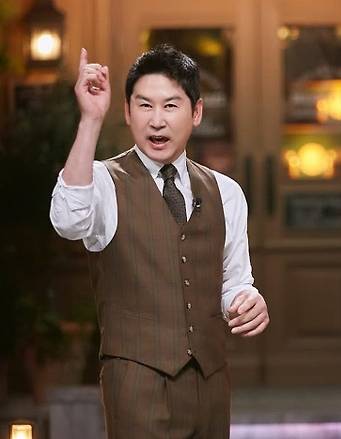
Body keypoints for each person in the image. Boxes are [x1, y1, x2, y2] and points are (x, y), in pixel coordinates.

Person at [49, 45, 269, 438]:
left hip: (210, 383)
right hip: (136, 385)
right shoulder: (103, 181)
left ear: (196, 112)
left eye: (170, 106)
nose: (157, 121)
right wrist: (90, 120)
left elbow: (233, 281)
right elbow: (67, 221)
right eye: (144, 106)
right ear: (127, 112)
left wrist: (246, 301)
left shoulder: (225, 191)